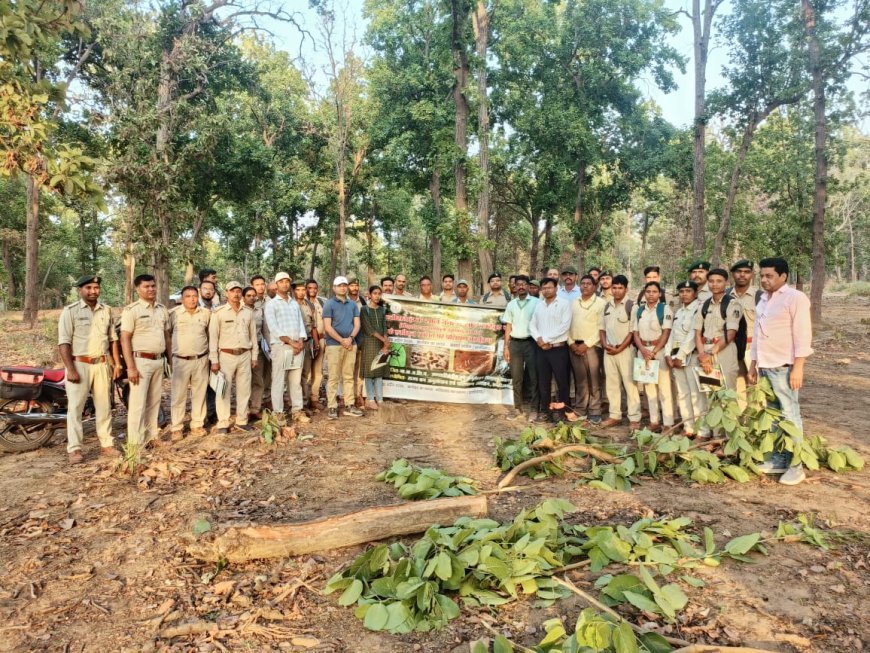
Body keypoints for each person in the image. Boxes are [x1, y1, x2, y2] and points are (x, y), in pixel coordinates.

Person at [749, 257, 813, 486]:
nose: (764, 280)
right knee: (774, 415)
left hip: (784, 367)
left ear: (783, 277)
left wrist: (798, 367)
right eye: (762, 276)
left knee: (790, 415)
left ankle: (796, 466)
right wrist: (753, 364)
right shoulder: (763, 300)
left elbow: (802, 335)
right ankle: (779, 460)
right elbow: (757, 334)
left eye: (769, 276)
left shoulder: (795, 298)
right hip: (766, 366)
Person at [58, 275, 122, 464]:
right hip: (79, 364)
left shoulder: (106, 311)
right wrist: (70, 369)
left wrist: (116, 364)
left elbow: (113, 340)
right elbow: (64, 343)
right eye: (89, 288)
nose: (93, 291)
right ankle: (75, 449)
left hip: (102, 364)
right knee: (76, 408)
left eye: (96, 287)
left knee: (104, 407)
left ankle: (107, 444)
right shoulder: (70, 311)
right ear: (80, 290)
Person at [120, 274, 170, 447]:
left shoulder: (162, 309)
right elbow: (125, 338)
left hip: (158, 361)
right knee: (137, 403)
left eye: (153, 286)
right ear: (137, 290)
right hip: (140, 361)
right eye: (146, 287)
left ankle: (152, 436)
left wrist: (169, 360)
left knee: (154, 401)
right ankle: (135, 443)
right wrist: (131, 367)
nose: (151, 289)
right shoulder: (131, 310)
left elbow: (167, 336)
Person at [208, 281, 257, 434]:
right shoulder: (219, 312)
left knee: (244, 389)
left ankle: (242, 420)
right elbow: (213, 339)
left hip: (244, 354)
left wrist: (254, 356)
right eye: (232, 291)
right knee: (223, 389)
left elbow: (253, 336)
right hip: (226, 355)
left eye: (238, 291)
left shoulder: (248, 312)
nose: (236, 294)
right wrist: (214, 360)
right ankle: (223, 422)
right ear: (226, 293)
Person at [529, 278, 579, 423]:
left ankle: (562, 412)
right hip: (541, 350)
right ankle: (547, 412)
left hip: (558, 350)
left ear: (556, 288)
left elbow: (564, 326)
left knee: (562, 383)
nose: (546, 290)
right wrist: (539, 339)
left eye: (549, 287)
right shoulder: (539, 305)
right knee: (543, 382)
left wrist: (545, 339)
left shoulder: (564, 304)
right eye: (544, 288)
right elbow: (532, 324)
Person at [265, 273, 310, 424]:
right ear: (276, 284)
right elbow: (274, 328)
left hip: (297, 347)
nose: (285, 284)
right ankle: (278, 413)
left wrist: (301, 341)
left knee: (295, 382)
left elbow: (301, 324)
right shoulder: (272, 304)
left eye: (287, 282)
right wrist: (291, 342)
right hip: (281, 347)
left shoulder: (294, 303)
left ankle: (297, 410)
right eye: (281, 282)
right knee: (278, 381)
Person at [167, 286, 210, 440]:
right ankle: (177, 427)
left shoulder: (205, 314)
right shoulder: (174, 314)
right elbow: (168, 336)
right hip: (180, 360)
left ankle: (197, 424)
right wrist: (170, 358)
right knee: (178, 395)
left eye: (194, 296)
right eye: (188, 296)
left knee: (199, 393)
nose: (192, 299)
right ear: (182, 298)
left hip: (201, 359)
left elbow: (208, 335)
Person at [599, 275, 641, 430]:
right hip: (609, 351)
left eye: (620, 288)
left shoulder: (631, 306)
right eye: (614, 288)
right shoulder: (607, 306)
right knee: (612, 384)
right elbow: (601, 328)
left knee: (630, 384)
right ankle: (614, 415)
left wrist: (620, 348)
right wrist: (605, 345)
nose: (616, 291)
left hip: (625, 351)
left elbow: (633, 331)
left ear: (626, 289)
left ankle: (634, 418)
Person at [631, 282, 674, 432]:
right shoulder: (640, 310)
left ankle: (668, 423)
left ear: (660, 294)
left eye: (654, 291)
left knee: (664, 388)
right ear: (644, 293)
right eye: (648, 291)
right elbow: (635, 333)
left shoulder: (665, 309)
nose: (651, 294)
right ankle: (654, 421)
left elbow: (666, 333)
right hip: (643, 351)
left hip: (659, 351)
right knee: (649, 388)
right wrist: (642, 350)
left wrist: (654, 352)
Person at [695, 268, 744, 395]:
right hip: (706, 350)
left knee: (727, 393)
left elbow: (731, 333)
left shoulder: (733, 304)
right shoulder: (704, 305)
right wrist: (702, 355)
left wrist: (710, 354)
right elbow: (697, 333)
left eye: (719, 281)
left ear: (726, 283)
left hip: (724, 350)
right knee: (710, 393)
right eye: (711, 281)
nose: (714, 284)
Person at [568, 274, 607, 425]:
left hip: (592, 347)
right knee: (580, 381)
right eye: (583, 283)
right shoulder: (573, 303)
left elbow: (601, 327)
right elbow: (567, 325)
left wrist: (587, 344)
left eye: (588, 284)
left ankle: (595, 411)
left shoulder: (601, 303)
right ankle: (580, 409)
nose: (585, 286)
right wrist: (571, 343)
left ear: (595, 286)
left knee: (594, 380)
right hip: (574, 347)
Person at [323, 276, 364, 419]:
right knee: (333, 377)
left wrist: (350, 338)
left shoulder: (352, 305)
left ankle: (349, 405)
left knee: (348, 376)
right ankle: (332, 406)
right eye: (339, 285)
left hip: (350, 344)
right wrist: (341, 340)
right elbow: (327, 327)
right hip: (334, 345)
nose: (342, 288)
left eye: (344, 285)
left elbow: (357, 324)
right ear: (334, 288)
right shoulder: (329, 304)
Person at [503, 275, 540, 421]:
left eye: (524, 284)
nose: (521, 287)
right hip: (515, 344)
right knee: (516, 377)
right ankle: (518, 408)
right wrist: (506, 346)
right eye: (518, 284)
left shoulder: (537, 303)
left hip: (531, 343)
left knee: (533, 377)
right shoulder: (511, 304)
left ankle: (534, 409)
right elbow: (508, 326)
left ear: (528, 286)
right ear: (515, 287)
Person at [728, 259, 760, 390]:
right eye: (739, 271)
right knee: (735, 387)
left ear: (752, 274)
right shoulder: (725, 296)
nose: (742, 275)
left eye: (746, 272)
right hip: (730, 348)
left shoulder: (760, 296)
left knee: (755, 388)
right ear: (733, 274)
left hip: (750, 349)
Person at [360, 285, 390, 410]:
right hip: (369, 343)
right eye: (375, 293)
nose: (377, 296)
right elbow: (369, 329)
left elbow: (384, 327)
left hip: (381, 343)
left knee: (379, 372)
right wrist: (384, 340)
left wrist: (385, 342)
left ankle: (380, 399)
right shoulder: (364, 310)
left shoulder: (382, 310)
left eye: (379, 293)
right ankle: (371, 399)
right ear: (370, 294)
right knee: (369, 371)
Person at [293, 279, 320, 413]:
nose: (301, 292)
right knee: (294, 375)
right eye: (298, 290)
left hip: (308, 342)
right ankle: (294, 404)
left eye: (303, 289)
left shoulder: (309, 305)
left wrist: (316, 342)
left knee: (305, 373)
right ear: (293, 291)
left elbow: (313, 325)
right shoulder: (290, 305)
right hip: (294, 343)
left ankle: (304, 402)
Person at [249, 276, 271, 417]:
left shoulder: (270, 302)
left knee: (266, 375)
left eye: (263, 284)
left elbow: (266, 328)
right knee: (254, 378)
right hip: (250, 346)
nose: (261, 287)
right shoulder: (248, 302)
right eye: (257, 284)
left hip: (265, 344)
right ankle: (252, 406)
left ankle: (264, 402)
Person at [243, 286, 266, 419]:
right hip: (244, 350)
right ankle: (244, 409)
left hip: (257, 349)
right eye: (248, 296)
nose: (252, 298)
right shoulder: (240, 311)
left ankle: (255, 407)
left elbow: (264, 330)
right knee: (244, 381)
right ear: (243, 297)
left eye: (254, 295)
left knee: (258, 380)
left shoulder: (260, 311)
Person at [306, 279, 326, 408]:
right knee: (306, 371)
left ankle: (314, 398)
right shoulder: (303, 303)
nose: (312, 290)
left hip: (322, 339)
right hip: (309, 340)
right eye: (309, 288)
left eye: (315, 288)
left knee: (318, 371)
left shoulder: (322, 302)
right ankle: (304, 398)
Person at [348, 278, 366, 406]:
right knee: (347, 368)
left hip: (360, 338)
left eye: (356, 285)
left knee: (359, 368)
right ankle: (344, 395)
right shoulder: (343, 300)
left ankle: (358, 394)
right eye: (352, 285)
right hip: (347, 338)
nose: (354, 288)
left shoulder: (363, 301)